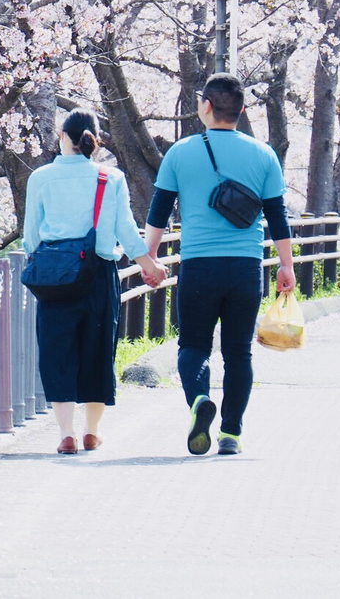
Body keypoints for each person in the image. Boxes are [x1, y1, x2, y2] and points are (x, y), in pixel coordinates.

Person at [144, 73, 295, 457]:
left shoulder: (180, 152)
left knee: (193, 346)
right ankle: (231, 432)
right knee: (238, 353)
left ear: (206, 106)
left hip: (198, 267)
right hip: (245, 269)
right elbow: (278, 216)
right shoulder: (264, 156)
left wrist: (150, 260)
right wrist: (286, 266)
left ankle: (198, 399)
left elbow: (159, 213)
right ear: (241, 110)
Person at [23, 111, 167, 455]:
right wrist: (148, 264)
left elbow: (31, 237)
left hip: (55, 275)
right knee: (97, 349)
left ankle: (65, 434)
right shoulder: (110, 178)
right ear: (95, 139)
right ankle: (92, 431)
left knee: (57, 351)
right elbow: (125, 230)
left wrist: (44, 261)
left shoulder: (41, 177)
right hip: (98, 273)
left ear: (62, 135)